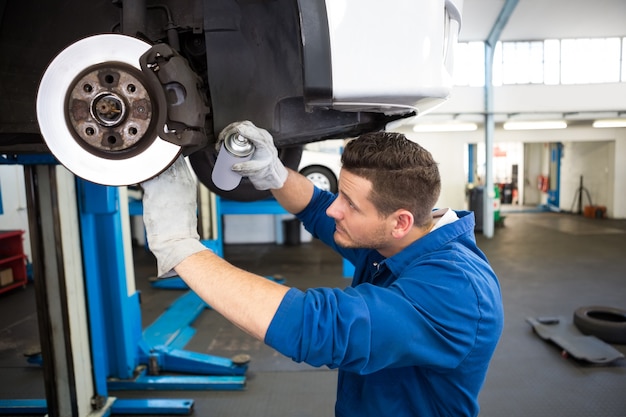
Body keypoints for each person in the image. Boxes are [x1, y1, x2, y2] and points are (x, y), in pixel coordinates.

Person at [141, 121, 504, 417]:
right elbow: (317, 206)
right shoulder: (399, 240)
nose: (336, 210)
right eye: (341, 195)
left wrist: (180, 247)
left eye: (350, 204)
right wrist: (274, 173)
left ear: (400, 222)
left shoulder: (455, 291)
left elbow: (317, 327)